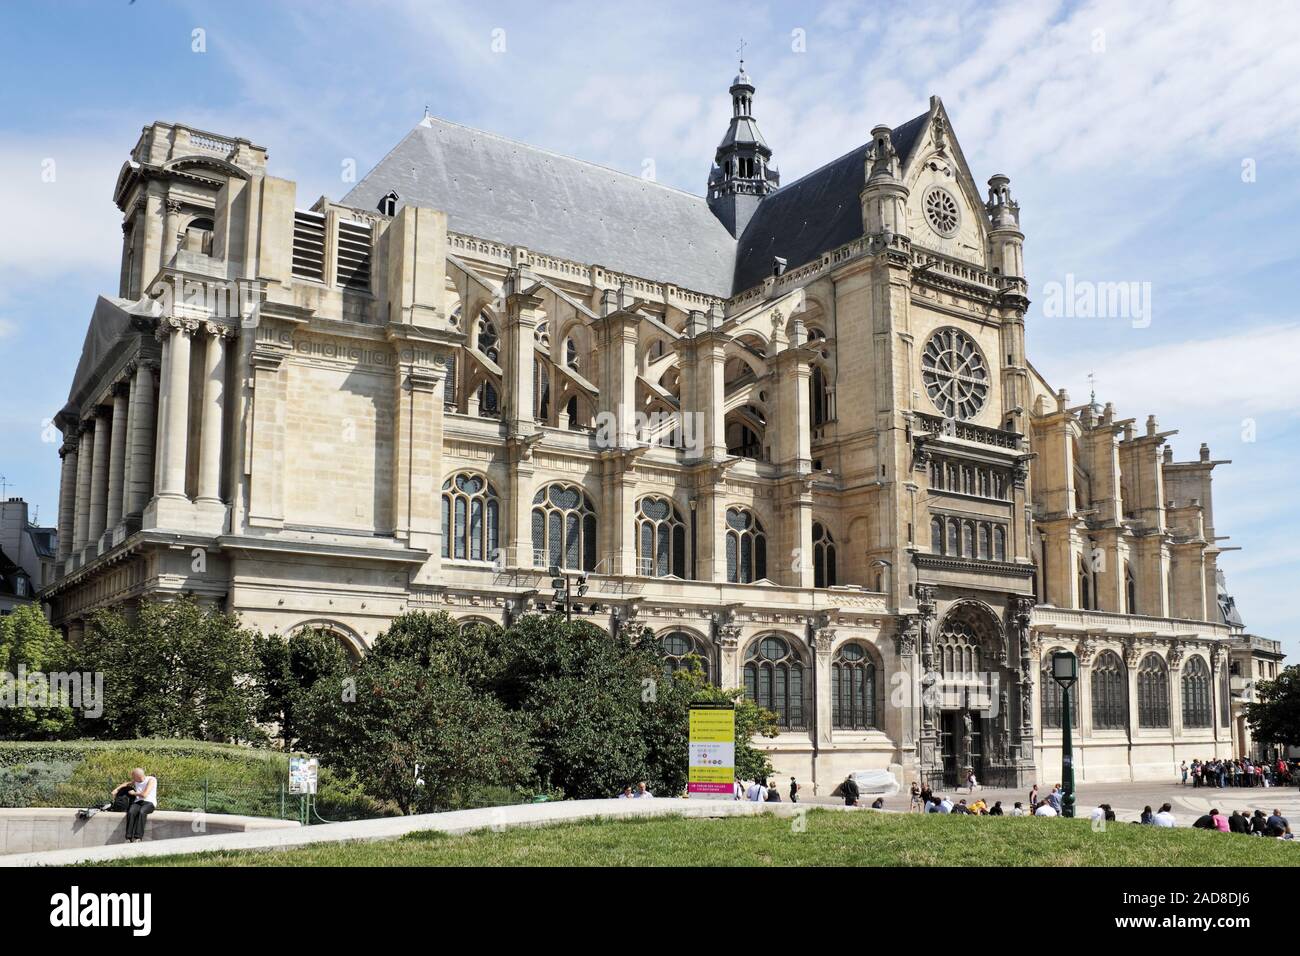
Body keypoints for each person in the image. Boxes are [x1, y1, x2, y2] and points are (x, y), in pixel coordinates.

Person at [114, 768, 157, 844]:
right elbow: (126, 784)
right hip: (138, 802)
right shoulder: (136, 781)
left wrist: (134, 793)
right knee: (131, 812)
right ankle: (128, 838)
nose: (132, 778)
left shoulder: (151, 780)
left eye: (133, 776)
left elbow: (144, 794)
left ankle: (138, 837)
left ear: (138, 776)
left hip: (149, 803)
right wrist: (116, 789)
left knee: (142, 812)